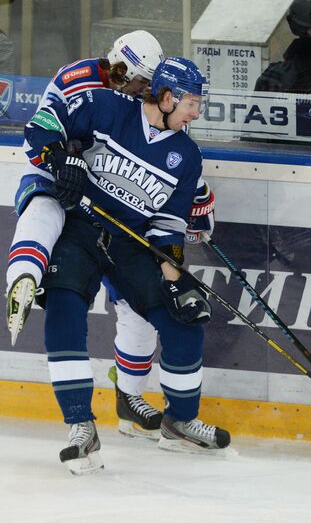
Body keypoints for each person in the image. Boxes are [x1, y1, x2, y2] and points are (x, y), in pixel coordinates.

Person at [23, 56, 230, 474]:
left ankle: (180, 422)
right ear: (167, 98)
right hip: (80, 230)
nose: (196, 112)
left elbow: (170, 226)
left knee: (183, 319)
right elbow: (42, 125)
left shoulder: (186, 155)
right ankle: (81, 424)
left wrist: (175, 278)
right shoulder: (104, 106)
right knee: (63, 310)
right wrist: (60, 156)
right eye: (192, 102)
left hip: (132, 244)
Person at [6, 30, 172, 440]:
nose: (144, 90)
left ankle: (128, 399)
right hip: (63, 179)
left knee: (138, 309)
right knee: (42, 207)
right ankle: (23, 276)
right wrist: (60, 157)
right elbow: (40, 128)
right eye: (140, 81)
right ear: (122, 68)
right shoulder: (75, 78)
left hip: (113, 203)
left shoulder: (146, 101)